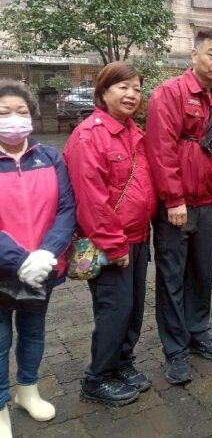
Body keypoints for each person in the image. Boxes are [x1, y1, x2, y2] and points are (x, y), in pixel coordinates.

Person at [145, 27, 212, 385]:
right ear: (194, 55)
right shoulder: (170, 93)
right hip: (177, 204)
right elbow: (161, 149)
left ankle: (198, 331)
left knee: (203, 272)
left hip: (208, 204)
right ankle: (175, 349)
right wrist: (173, 199)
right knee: (173, 277)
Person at [64, 62, 156, 406]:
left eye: (137, 88)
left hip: (138, 236)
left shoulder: (134, 132)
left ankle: (122, 363)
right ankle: (97, 378)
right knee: (114, 310)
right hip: (110, 243)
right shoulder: (88, 136)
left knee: (132, 308)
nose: (132, 94)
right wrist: (114, 245)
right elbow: (91, 200)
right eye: (123, 87)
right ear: (103, 92)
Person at [0, 80, 75, 433]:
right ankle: (0, 404)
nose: (13, 119)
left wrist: (46, 252)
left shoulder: (49, 157)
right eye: (4, 112)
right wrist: (20, 260)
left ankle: (27, 390)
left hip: (42, 268)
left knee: (33, 333)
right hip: (5, 270)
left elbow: (66, 208)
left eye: (20, 111)